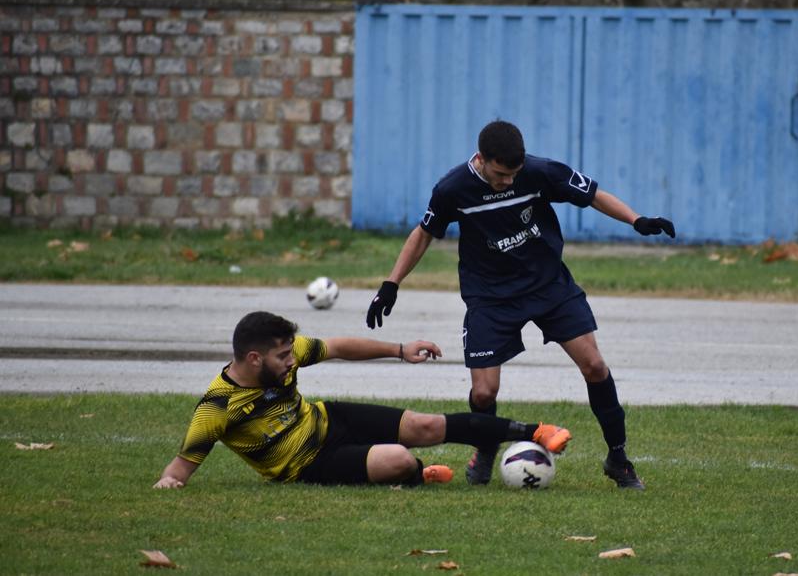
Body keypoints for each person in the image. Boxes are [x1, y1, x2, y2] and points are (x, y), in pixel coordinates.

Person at [366, 120, 675, 490]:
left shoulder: (540, 171)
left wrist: (636, 219)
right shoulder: (453, 188)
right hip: (490, 296)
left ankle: (618, 458)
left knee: (594, 365)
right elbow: (424, 233)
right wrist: (391, 283)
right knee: (483, 392)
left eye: (513, 175)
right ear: (481, 159)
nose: (508, 182)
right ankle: (485, 448)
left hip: (548, 286)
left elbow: (592, 193)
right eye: (500, 174)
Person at [154, 311, 570, 489]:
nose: (290, 359)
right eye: (282, 356)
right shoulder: (216, 408)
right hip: (305, 465)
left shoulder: (286, 352)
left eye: (290, 352)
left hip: (329, 419)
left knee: (425, 425)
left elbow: (338, 346)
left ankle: (536, 430)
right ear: (253, 358)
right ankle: (416, 476)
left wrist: (399, 348)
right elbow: (181, 467)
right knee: (399, 458)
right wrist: (170, 483)